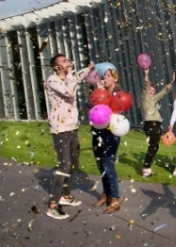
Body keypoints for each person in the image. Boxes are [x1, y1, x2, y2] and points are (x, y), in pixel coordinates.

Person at [45, 54, 92, 220]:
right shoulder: (52, 80)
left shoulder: (69, 77)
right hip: (60, 129)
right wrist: (72, 74)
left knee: (74, 164)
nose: (68, 62)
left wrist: (88, 69)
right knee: (64, 165)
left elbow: (78, 77)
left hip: (72, 128)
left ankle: (65, 194)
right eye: (64, 61)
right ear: (57, 67)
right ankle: (53, 205)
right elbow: (69, 92)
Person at [91, 68, 123, 214]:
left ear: (115, 79)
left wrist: (104, 98)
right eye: (104, 76)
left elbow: (117, 112)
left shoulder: (118, 94)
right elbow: (89, 105)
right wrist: (97, 93)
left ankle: (115, 198)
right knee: (100, 164)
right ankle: (106, 194)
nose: (105, 78)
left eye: (108, 76)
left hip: (112, 132)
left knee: (108, 163)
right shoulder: (100, 93)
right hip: (97, 131)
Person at [140, 68, 173, 177]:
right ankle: (145, 167)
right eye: (150, 90)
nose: (151, 92)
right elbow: (146, 85)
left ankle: (147, 167)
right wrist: (146, 74)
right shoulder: (145, 98)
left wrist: (171, 83)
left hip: (157, 125)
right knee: (153, 146)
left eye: (153, 90)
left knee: (155, 146)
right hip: (150, 124)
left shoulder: (154, 99)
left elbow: (163, 93)